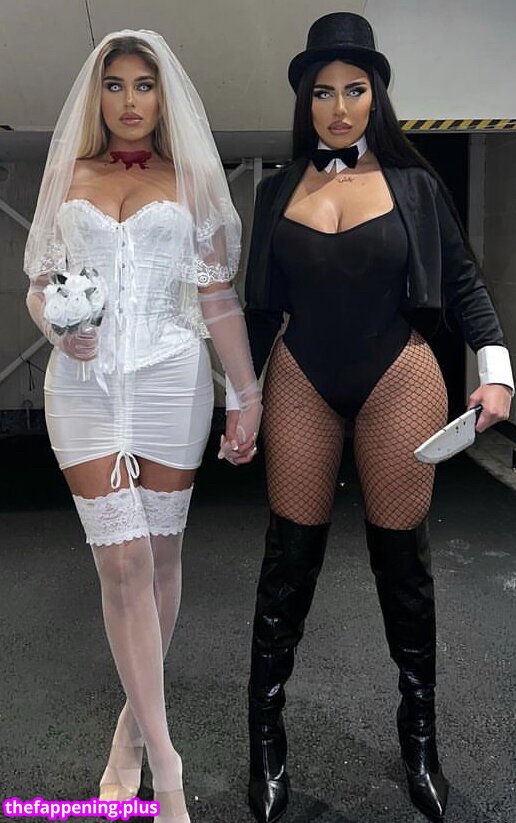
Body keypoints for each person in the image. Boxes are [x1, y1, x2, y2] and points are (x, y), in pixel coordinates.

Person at [242, 12, 513, 823]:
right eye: (323, 92)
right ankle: (265, 741)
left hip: (400, 377)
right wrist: (237, 400)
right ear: (306, 102)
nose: (339, 107)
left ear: (376, 97)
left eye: (354, 90)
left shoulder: (417, 188)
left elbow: (464, 283)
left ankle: (420, 739)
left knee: (403, 566)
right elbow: (258, 312)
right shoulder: (276, 191)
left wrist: (496, 375)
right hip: (302, 377)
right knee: (288, 563)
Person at [24, 29, 260, 823]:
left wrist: (246, 392)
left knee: (160, 559)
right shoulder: (69, 175)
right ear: (97, 96)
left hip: (170, 377)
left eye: (144, 85)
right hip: (83, 386)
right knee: (120, 562)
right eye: (115, 85)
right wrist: (59, 327)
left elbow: (217, 295)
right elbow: (39, 284)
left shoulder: (191, 181)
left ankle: (131, 730)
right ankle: (167, 769)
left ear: (165, 98)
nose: (129, 101)